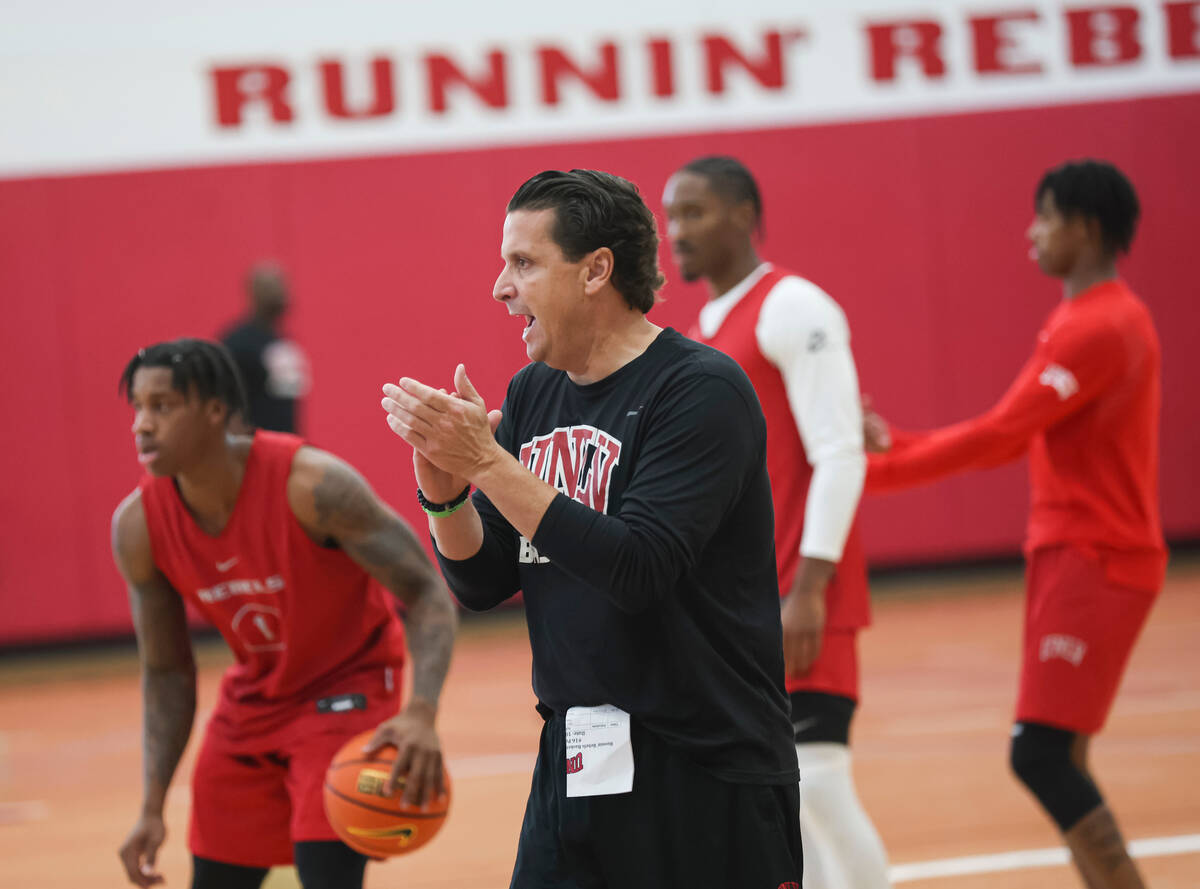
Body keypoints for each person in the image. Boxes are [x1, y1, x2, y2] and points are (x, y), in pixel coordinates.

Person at [380, 169, 803, 888]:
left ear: (595, 270)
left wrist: (486, 460)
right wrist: (444, 492)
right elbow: (483, 579)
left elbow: (639, 567)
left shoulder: (700, 390)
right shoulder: (534, 392)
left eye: (523, 262)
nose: (500, 287)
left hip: (704, 764)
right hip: (577, 756)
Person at [864, 159, 1162, 889]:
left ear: (1086, 227)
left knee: (1041, 753)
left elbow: (1001, 435)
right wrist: (896, 445)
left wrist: (879, 468)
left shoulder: (1100, 325)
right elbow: (1007, 429)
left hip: (1096, 557)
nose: (1031, 233)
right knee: (1062, 752)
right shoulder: (1085, 318)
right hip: (1079, 554)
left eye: (1046, 217)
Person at [111, 338, 458, 889]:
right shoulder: (137, 526)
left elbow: (426, 593)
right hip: (256, 700)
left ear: (216, 411)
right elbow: (167, 670)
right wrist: (152, 808)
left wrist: (421, 711)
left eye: (162, 406)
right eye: (137, 407)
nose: (142, 425)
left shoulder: (313, 485)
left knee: (325, 872)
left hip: (348, 684)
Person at [663, 156, 891, 889]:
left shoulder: (795, 307)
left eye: (693, 212)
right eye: (670, 215)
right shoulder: (705, 327)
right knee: (783, 799)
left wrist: (812, 586)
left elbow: (839, 450)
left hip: (800, 593)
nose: (677, 231)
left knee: (818, 780)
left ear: (742, 214)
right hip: (744, 604)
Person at [220, 262, 311, 433]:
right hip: (253, 448)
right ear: (253, 293)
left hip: (287, 446)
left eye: (282, 285)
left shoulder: (282, 341)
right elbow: (226, 400)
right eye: (270, 286)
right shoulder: (236, 343)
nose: (280, 292)